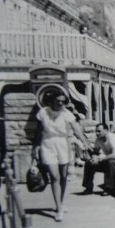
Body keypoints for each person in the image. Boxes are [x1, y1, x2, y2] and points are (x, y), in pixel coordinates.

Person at [33, 91, 91, 221]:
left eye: (63, 101)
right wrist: (34, 148)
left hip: (63, 144)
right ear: (52, 100)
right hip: (47, 144)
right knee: (54, 177)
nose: (60, 103)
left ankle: (61, 202)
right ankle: (58, 209)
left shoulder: (67, 113)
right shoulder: (43, 112)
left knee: (63, 176)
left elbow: (76, 129)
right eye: (57, 100)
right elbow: (38, 132)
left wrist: (85, 141)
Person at [81, 123, 115, 195]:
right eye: (96, 131)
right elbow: (95, 152)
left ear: (106, 130)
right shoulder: (98, 140)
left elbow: (114, 154)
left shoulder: (113, 138)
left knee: (110, 162)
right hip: (109, 161)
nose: (97, 133)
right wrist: (93, 157)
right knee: (89, 163)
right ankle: (88, 188)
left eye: (99, 131)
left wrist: (100, 159)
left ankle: (110, 188)